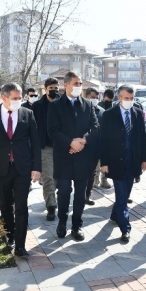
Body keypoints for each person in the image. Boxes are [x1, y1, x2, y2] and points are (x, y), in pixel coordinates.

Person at [0, 83, 41, 258]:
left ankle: (20, 245)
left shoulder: (27, 114)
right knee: (5, 205)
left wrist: (36, 167)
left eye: (20, 98)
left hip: (23, 168)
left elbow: (36, 143)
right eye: (15, 98)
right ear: (3, 98)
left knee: (21, 206)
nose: (18, 101)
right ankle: (9, 235)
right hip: (1, 168)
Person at [47, 71, 100, 241]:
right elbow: (52, 131)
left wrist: (83, 141)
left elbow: (95, 127)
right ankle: (62, 222)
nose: (79, 86)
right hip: (64, 156)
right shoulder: (56, 105)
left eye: (80, 83)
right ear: (66, 85)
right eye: (76, 83)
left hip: (83, 156)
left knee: (80, 194)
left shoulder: (88, 105)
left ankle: (77, 226)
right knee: (63, 191)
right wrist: (70, 142)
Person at [100, 85, 146, 242]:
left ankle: (115, 215)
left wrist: (145, 158)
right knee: (122, 196)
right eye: (126, 98)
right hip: (116, 161)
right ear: (119, 97)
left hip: (133, 160)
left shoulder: (138, 113)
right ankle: (125, 228)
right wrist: (104, 162)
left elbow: (143, 137)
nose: (129, 101)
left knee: (125, 193)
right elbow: (103, 140)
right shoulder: (109, 115)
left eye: (132, 98)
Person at [31, 78, 60, 220]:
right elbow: (33, 127)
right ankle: (51, 206)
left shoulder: (63, 103)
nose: (53, 90)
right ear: (45, 89)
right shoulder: (37, 106)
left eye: (56, 88)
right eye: (51, 88)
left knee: (58, 177)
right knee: (48, 177)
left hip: (61, 147)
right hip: (45, 147)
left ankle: (53, 197)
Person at [85, 87, 105, 205]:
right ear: (86, 96)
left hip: (95, 148)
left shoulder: (102, 112)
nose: (95, 99)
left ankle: (87, 196)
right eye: (92, 97)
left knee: (91, 173)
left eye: (97, 98)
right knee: (80, 174)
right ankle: (79, 195)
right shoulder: (81, 109)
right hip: (81, 147)